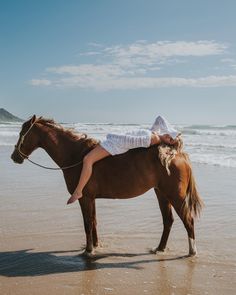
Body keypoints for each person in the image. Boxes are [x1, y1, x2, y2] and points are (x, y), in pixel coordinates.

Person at [67, 115, 180, 204]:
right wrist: (171, 130)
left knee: (88, 159)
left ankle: (78, 192)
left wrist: (113, 136)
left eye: (171, 140)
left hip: (116, 145)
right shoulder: (155, 133)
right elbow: (159, 118)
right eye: (171, 136)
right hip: (115, 141)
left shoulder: (153, 140)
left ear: (168, 144)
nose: (169, 137)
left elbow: (129, 141)